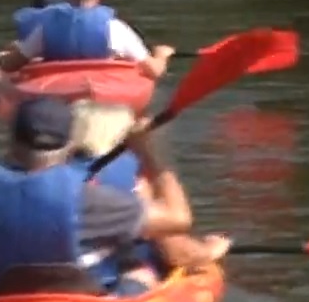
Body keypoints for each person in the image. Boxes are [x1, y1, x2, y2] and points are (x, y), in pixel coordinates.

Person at [0, 97, 214, 298]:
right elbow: (178, 219)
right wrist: (150, 154)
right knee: (138, 270)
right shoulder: (88, 199)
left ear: (12, 140)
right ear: (70, 145)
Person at [68, 99, 230, 276]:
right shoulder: (129, 175)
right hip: (109, 283)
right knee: (142, 271)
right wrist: (209, 250)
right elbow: (174, 252)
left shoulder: (54, 173)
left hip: (58, 278)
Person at [0, 0, 174, 80]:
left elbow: (10, 66)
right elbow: (154, 71)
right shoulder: (116, 28)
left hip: (57, 89)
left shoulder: (46, 27)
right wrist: (162, 55)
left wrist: (3, 58)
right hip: (106, 88)